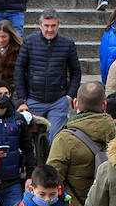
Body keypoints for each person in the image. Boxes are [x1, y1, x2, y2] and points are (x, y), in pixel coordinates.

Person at [14, 10, 82, 142]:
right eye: (46, 26)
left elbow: (76, 71)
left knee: (55, 140)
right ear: (40, 25)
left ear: (58, 26)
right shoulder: (29, 42)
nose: (49, 29)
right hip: (33, 99)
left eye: (53, 26)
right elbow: (19, 70)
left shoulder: (67, 43)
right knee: (31, 140)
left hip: (58, 101)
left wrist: (69, 96)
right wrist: (22, 99)